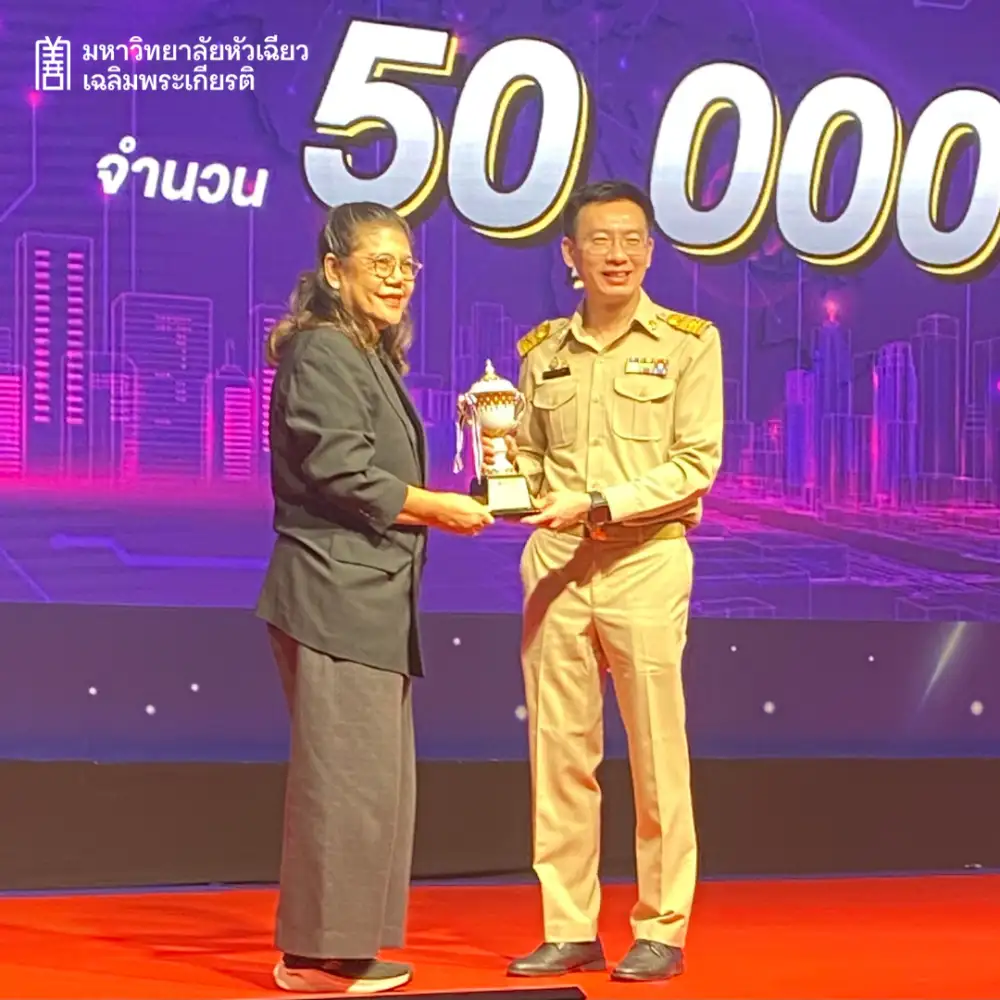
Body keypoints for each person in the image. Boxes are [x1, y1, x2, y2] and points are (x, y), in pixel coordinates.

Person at [487, 180, 724, 983]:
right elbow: (522, 452)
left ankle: (661, 927)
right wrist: (500, 480)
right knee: (557, 750)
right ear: (571, 253)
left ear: (649, 251)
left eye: (631, 239)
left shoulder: (690, 344)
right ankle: (568, 926)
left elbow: (695, 465)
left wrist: (597, 503)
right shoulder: (540, 351)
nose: (616, 255)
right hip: (556, 564)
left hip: (645, 557)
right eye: (599, 239)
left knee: (657, 752)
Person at [256, 201, 494, 995]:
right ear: (334, 270)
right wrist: (439, 509)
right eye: (379, 264)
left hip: (370, 599)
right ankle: (317, 956)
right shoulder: (323, 350)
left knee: (372, 783)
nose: (397, 279)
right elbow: (342, 472)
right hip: (333, 594)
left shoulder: (368, 353)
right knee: (344, 783)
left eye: (406, 266)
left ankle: (340, 946)